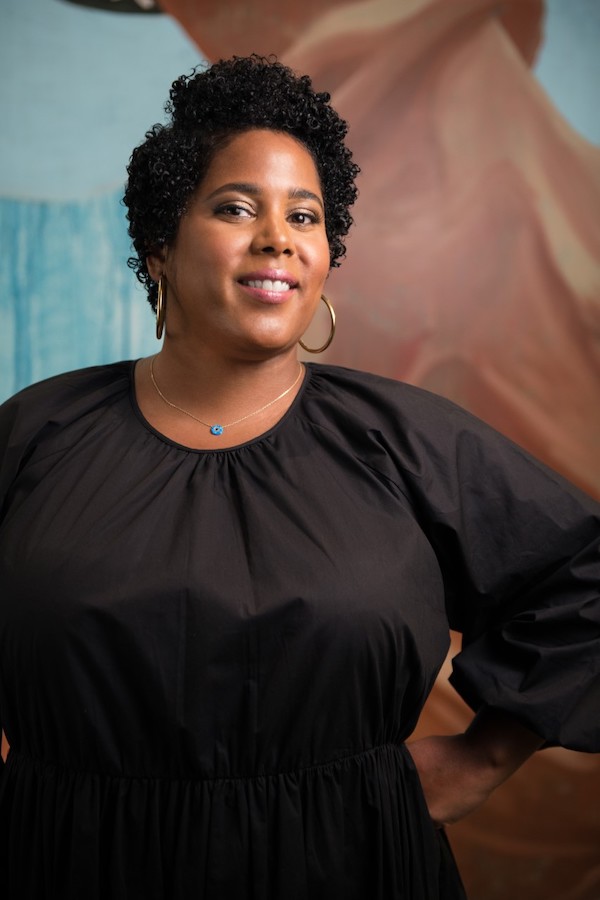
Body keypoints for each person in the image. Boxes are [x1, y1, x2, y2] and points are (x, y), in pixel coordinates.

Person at [0, 55, 598, 900]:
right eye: (236, 207)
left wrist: (482, 756)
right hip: (70, 864)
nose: (277, 236)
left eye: (305, 215)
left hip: (351, 865)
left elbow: (587, 582)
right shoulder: (36, 434)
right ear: (160, 244)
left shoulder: (406, 441)